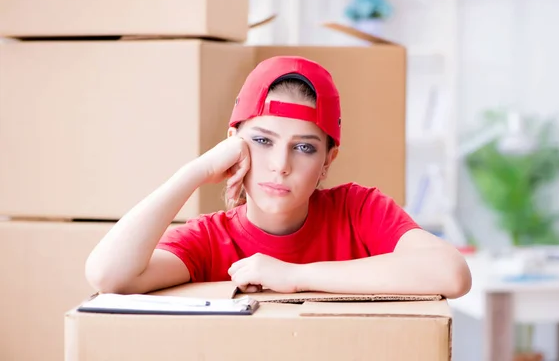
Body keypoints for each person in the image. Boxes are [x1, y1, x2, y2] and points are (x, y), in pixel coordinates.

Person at [85, 56, 472, 298]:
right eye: (262, 141)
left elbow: (451, 274)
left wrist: (293, 276)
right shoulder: (209, 239)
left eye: (304, 147)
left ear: (327, 161)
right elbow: (108, 275)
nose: (280, 164)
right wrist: (196, 171)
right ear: (233, 144)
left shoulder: (358, 210)